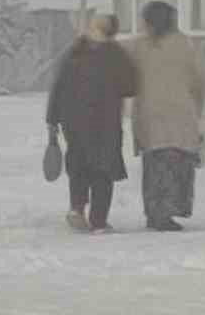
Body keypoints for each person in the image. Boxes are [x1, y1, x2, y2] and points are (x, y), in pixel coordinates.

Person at [44, 12, 139, 233]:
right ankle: (98, 221)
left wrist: (52, 119)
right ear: (112, 31)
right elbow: (131, 86)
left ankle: (77, 208)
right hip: (105, 122)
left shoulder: (74, 51)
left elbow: (57, 87)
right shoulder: (116, 54)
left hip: (74, 121)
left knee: (78, 165)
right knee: (103, 170)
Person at [127, 0, 205, 232]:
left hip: (149, 112)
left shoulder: (136, 47)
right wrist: (197, 101)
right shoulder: (185, 45)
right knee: (177, 161)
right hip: (180, 112)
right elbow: (203, 79)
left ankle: (156, 211)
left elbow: (121, 73)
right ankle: (169, 210)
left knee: (155, 162)